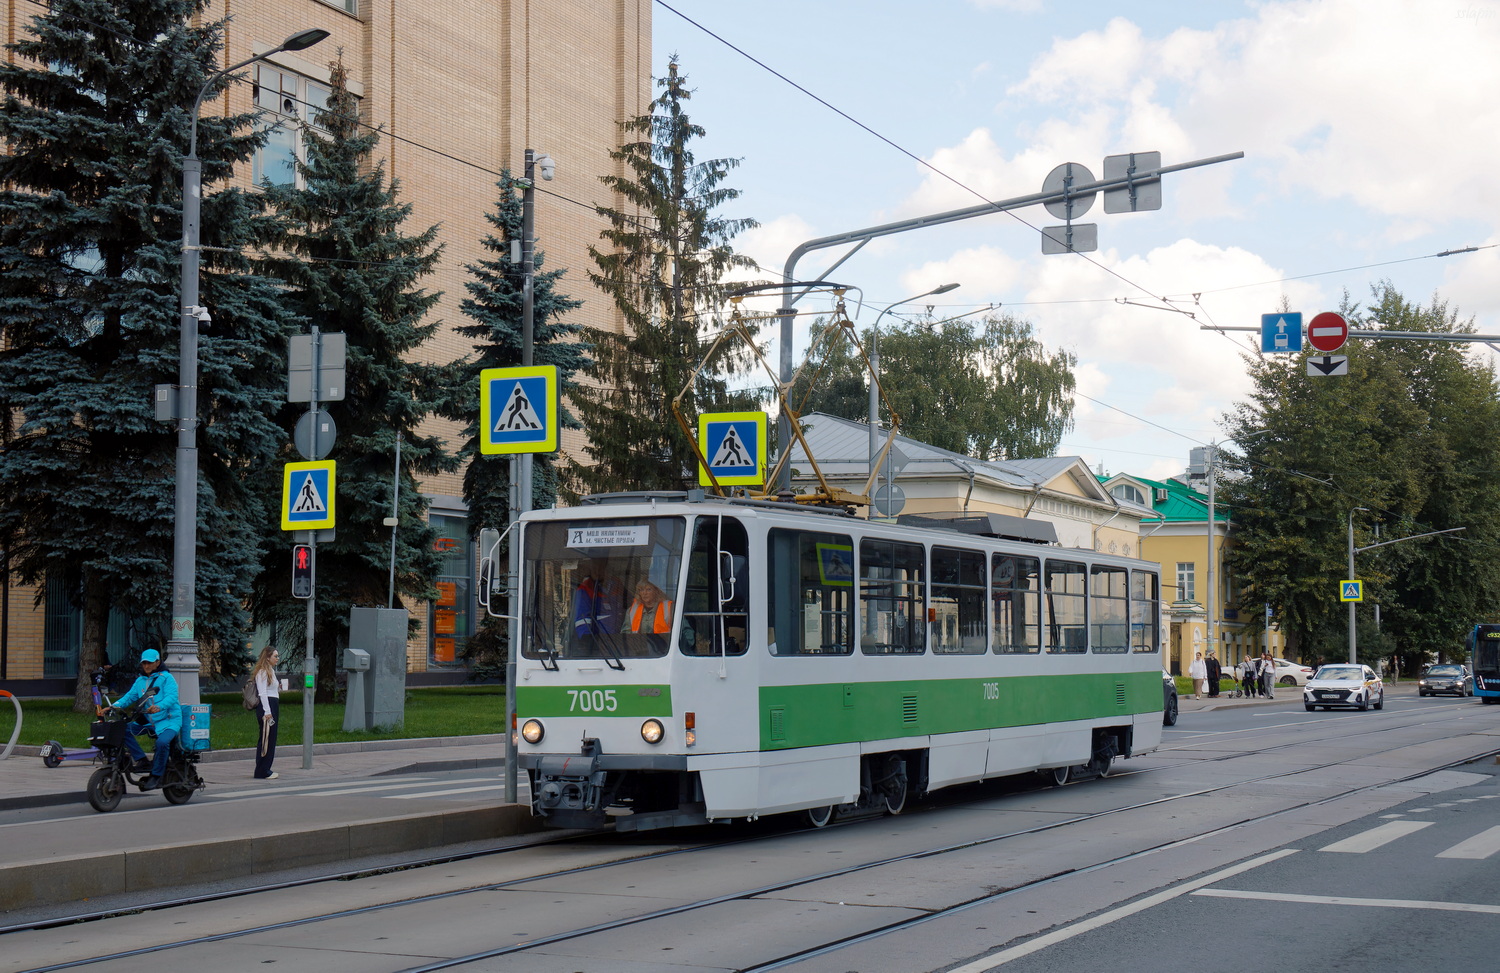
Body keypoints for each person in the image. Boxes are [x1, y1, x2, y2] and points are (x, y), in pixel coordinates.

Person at [105, 648, 179, 791]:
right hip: (150, 721)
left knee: (162, 742)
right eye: (144, 663)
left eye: (149, 663)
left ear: (157, 662)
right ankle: (141, 759)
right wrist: (113, 707)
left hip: (169, 720)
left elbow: (172, 697)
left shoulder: (167, 678)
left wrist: (159, 706)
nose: (146, 666)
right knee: (122, 729)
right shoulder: (140, 681)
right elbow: (129, 697)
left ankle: (156, 775)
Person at [571, 561, 623, 650]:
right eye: (594, 568)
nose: (597, 571)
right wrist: (589, 644)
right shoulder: (585, 589)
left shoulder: (617, 585)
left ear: (608, 570)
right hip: (599, 643)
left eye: (601, 568)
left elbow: (629, 603)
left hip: (619, 641)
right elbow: (582, 621)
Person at [252, 647, 282, 780]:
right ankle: (261, 770)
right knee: (266, 739)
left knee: (271, 738)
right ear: (268, 657)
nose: (277, 658)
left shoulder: (271, 671)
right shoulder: (262, 672)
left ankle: (265, 768)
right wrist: (267, 711)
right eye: (275, 656)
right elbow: (262, 693)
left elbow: (271, 690)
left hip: (273, 705)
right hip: (267, 707)